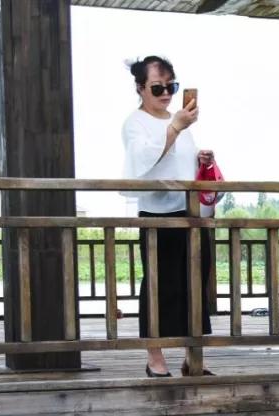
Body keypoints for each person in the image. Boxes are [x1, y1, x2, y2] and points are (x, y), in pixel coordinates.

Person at [122, 55, 214, 377]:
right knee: (159, 286)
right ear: (140, 88)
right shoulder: (136, 123)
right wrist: (175, 126)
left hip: (190, 215)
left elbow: (179, 162)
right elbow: (143, 160)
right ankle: (155, 357)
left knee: (195, 285)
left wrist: (201, 158)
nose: (166, 94)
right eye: (158, 87)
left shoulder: (180, 124)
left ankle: (193, 357)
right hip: (157, 214)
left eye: (171, 86)